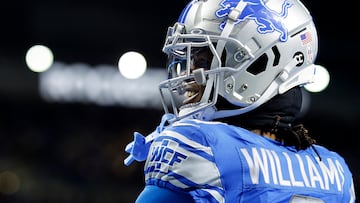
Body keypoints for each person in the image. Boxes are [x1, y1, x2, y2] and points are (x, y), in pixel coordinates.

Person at [124, 0, 356, 202]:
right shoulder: (334, 172)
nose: (188, 77)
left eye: (204, 62)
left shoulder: (202, 147)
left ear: (262, 64)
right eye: (188, 59)